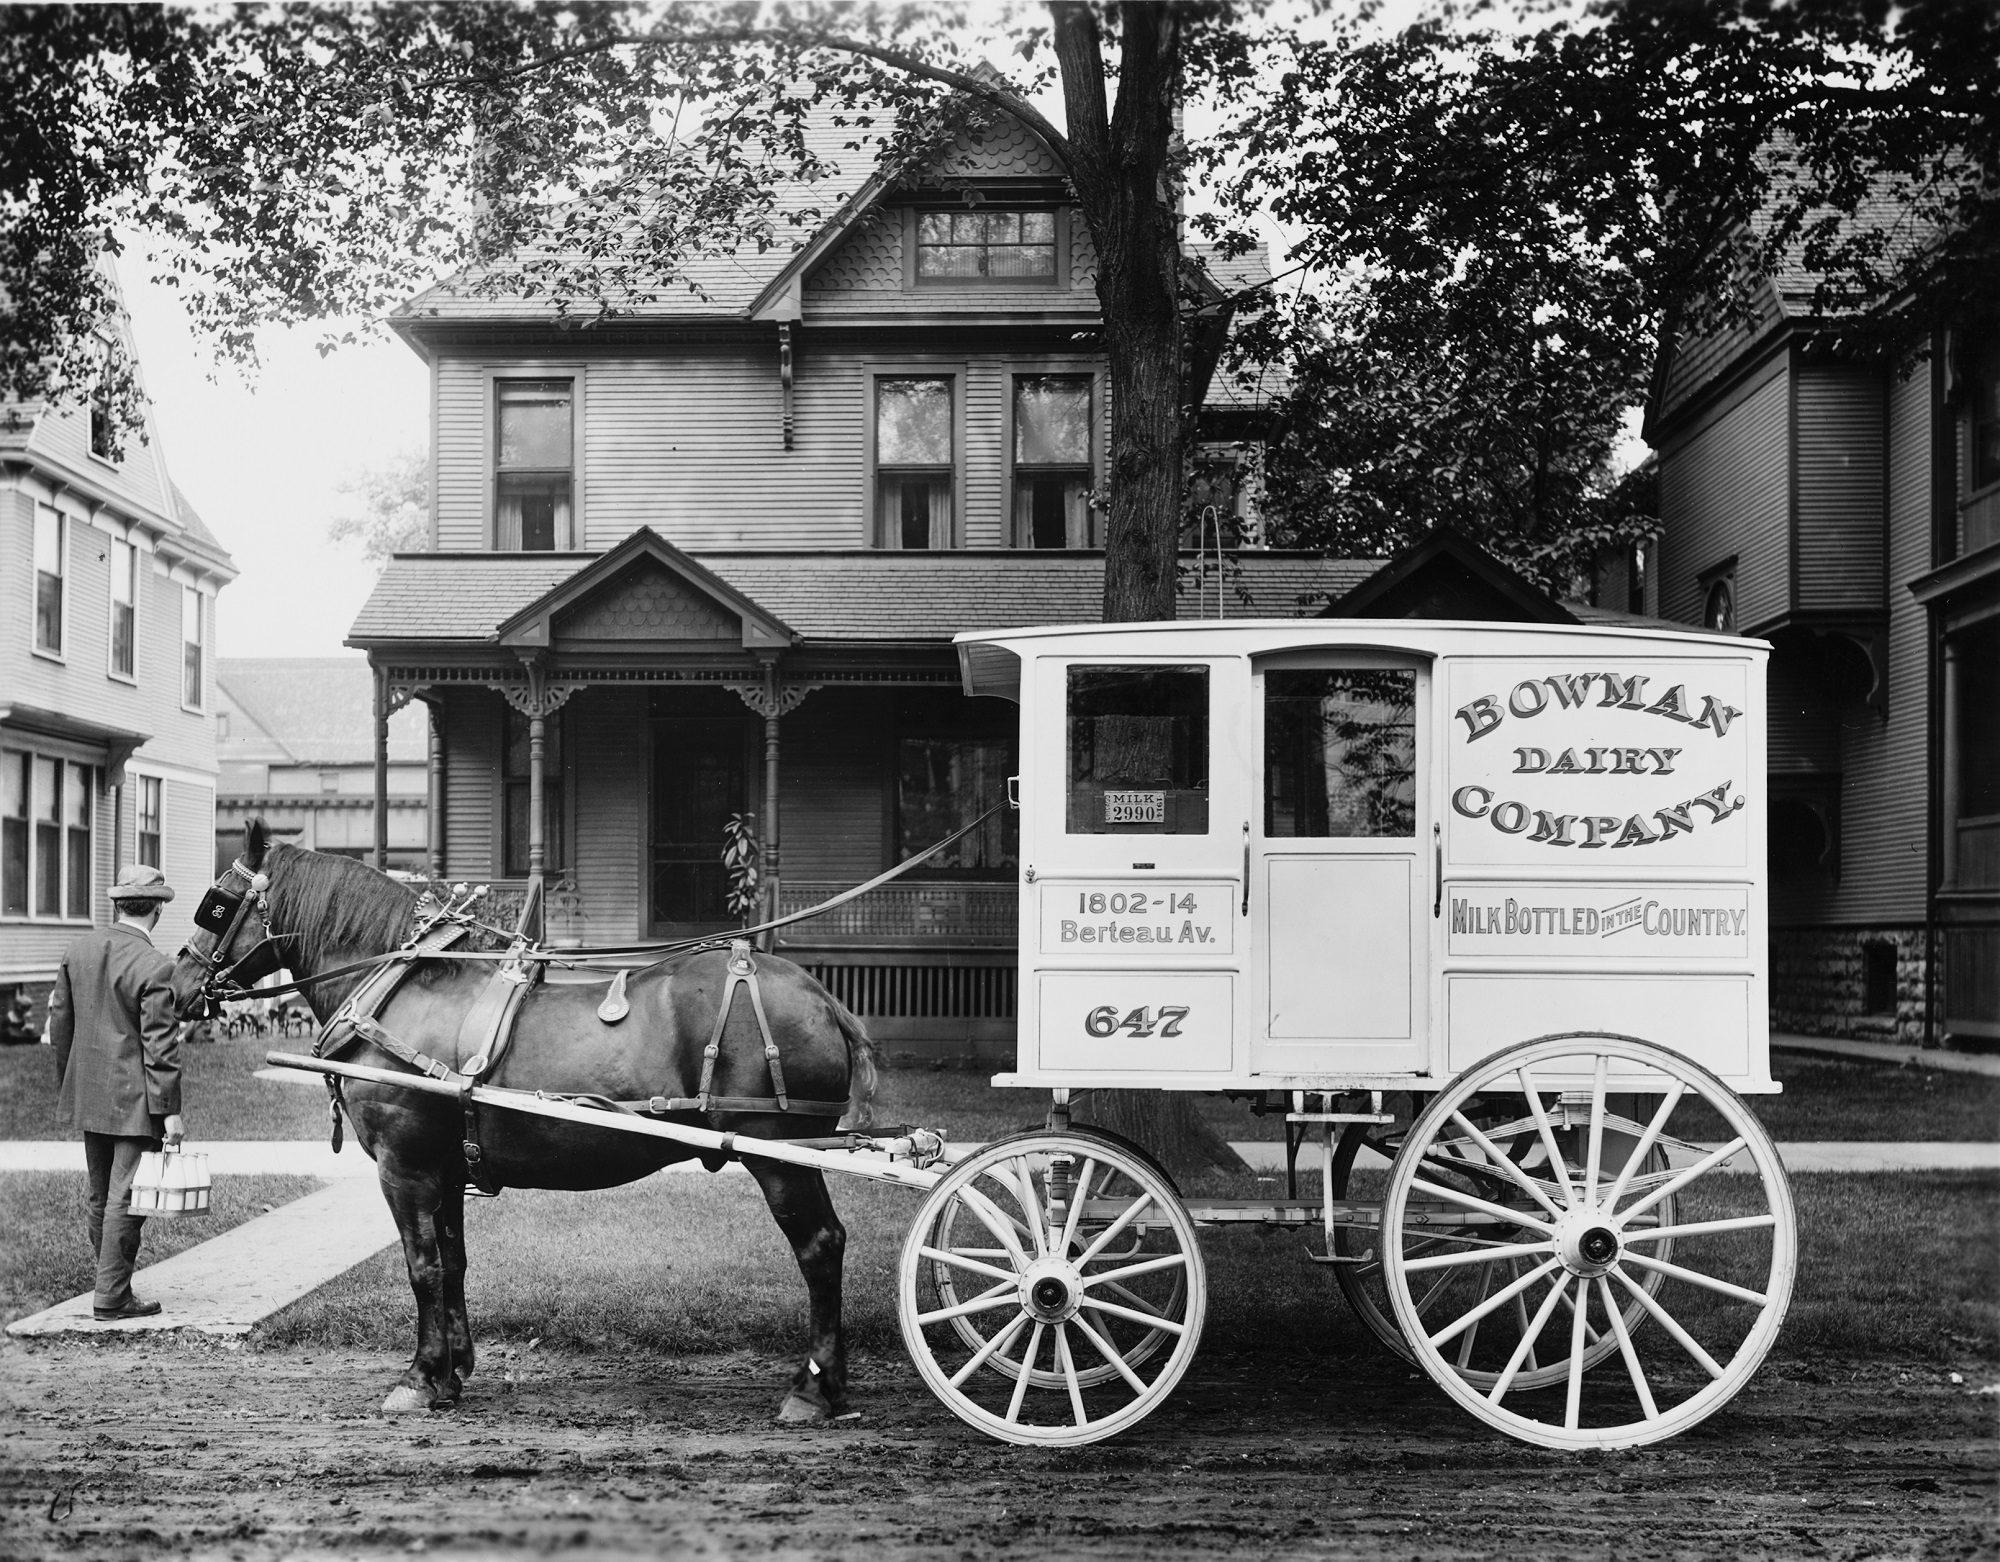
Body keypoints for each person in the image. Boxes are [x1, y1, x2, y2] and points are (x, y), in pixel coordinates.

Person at [48, 864, 186, 1322]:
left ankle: (110, 1282)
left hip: (89, 1092)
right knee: (125, 1197)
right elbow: (159, 1044)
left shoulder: (78, 949)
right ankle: (112, 1296)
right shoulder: (156, 964)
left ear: (117, 904)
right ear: (158, 909)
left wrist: (70, 1081)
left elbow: (60, 1023)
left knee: (99, 1193)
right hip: (136, 1099)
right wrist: (169, 1111)